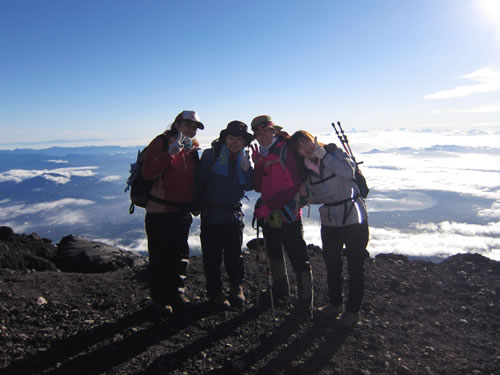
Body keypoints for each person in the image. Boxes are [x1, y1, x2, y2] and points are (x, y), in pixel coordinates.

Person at [288, 130, 369, 326]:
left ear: (312, 139)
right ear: (297, 152)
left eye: (306, 141)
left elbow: (347, 171)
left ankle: (353, 311)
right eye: (300, 146)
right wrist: (304, 196)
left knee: (355, 266)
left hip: (353, 217)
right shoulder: (307, 170)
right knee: (332, 264)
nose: (306, 147)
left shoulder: (334, 153)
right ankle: (335, 304)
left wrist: (323, 155)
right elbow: (320, 197)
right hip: (330, 221)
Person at [250, 115, 314, 318]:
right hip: (271, 214)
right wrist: (259, 164)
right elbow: (258, 186)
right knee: (274, 252)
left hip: (288, 213)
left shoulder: (286, 150)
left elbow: (293, 185)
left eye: (265, 131)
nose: (261, 136)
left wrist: (269, 206)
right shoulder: (264, 152)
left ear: (273, 131)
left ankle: (305, 302)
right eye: (258, 133)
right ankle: (280, 289)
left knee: (297, 255)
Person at [142, 110, 204, 315]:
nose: (191, 129)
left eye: (194, 127)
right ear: (177, 125)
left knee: (179, 255)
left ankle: (176, 294)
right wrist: (168, 153)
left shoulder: (192, 148)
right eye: (187, 125)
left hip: (181, 211)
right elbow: (148, 172)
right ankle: (159, 300)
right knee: (160, 256)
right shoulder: (160, 143)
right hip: (159, 211)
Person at [194, 121, 254, 308]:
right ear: (224, 138)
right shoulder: (210, 155)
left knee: (234, 255)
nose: (234, 142)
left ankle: (236, 287)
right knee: (212, 256)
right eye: (231, 138)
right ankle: (215, 292)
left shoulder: (244, 158)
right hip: (211, 213)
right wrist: (196, 204)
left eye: (239, 139)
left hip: (232, 214)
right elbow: (199, 181)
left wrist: (248, 169)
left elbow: (251, 186)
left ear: (244, 141)